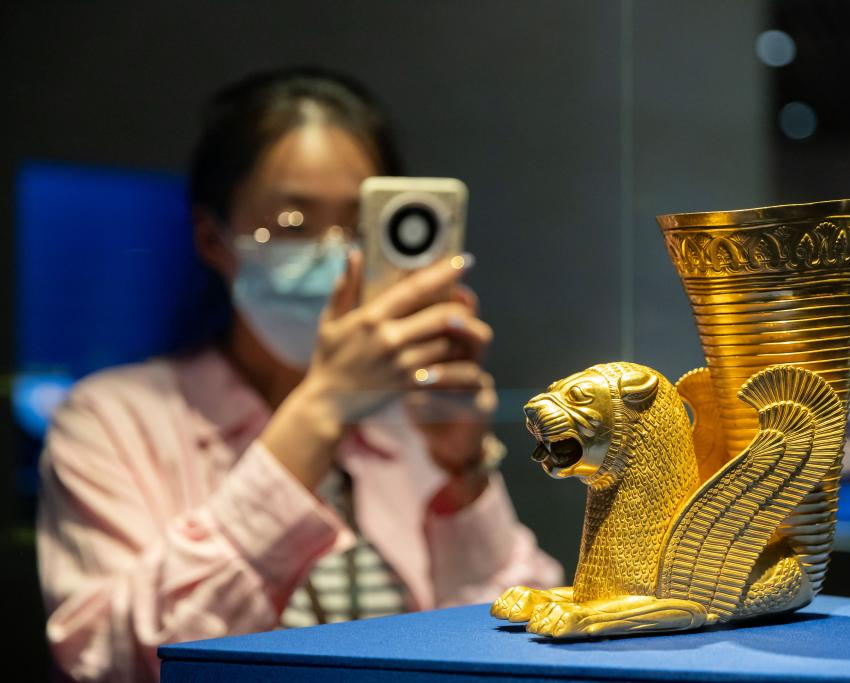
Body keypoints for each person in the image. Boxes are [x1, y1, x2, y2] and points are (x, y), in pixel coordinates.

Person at [36, 67, 562, 682]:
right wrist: (323, 407)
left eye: (360, 225)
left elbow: (529, 637)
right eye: (292, 224)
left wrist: (464, 476)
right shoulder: (110, 420)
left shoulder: (413, 423)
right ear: (212, 238)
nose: (333, 253)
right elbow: (113, 660)